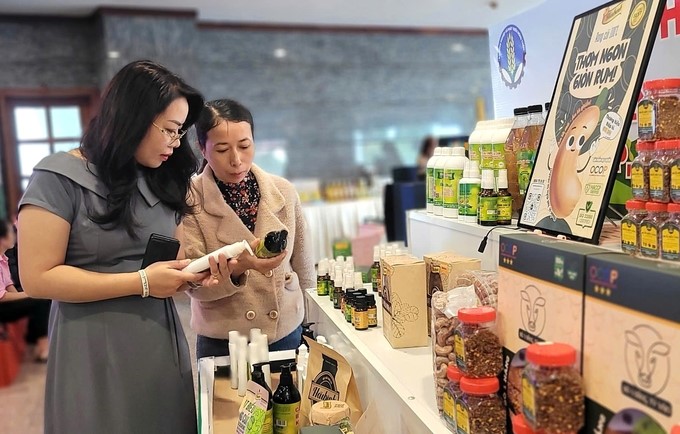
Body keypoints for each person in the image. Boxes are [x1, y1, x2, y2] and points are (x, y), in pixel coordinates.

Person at [17, 60, 226, 434]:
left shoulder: (164, 178)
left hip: (158, 338)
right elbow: (37, 278)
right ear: (132, 118)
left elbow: (170, 259)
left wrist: (192, 276)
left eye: (180, 133)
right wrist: (142, 283)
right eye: (169, 130)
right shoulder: (57, 177)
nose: (174, 143)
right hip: (91, 342)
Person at [183, 98, 315, 359]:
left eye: (245, 146)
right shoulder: (190, 200)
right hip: (225, 341)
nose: (236, 160)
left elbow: (304, 264)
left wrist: (313, 323)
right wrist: (239, 268)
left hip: (286, 330)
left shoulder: (283, 191)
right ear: (202, 148)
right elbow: (192, 283)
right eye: (222, 150)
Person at [0, 218, 50, 362]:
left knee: (40, 297)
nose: (14, 236)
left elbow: (8, 284)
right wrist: (28, 295)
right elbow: (2, 296)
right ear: (2, 239)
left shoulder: (3, 257)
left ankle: (33, 339)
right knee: (39, 299)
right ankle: (42, 348)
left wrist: (24, 298)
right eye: (10, 233)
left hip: (5, 302)